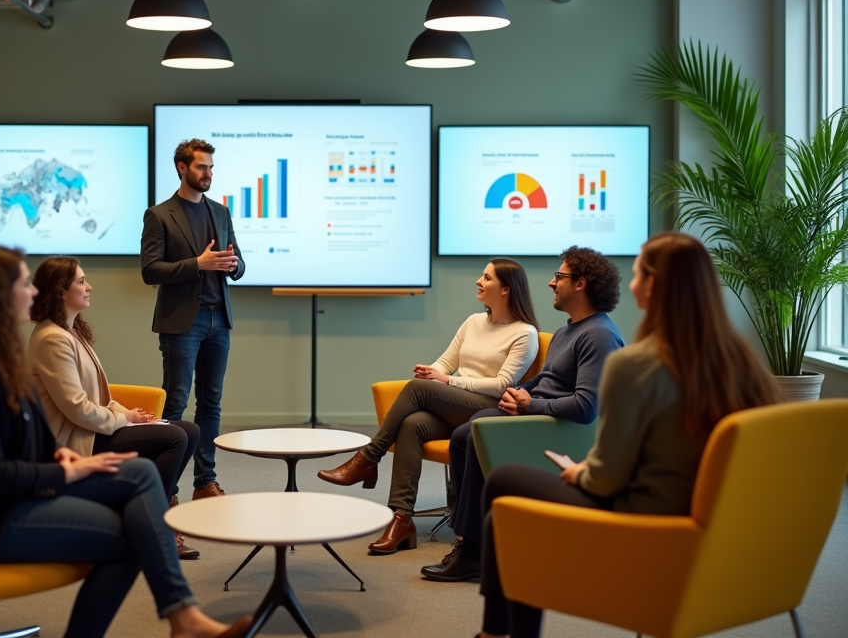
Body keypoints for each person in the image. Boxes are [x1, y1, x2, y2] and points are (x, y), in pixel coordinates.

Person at [0, 245, 250, 638]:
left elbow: (17, 436)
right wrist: (64, 470)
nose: (32, 292)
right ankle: (183, 617)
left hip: (12, 498)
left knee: (142, 477)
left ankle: (183, 618)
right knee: (136, 525)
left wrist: (56, 456)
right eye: (24, 283)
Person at [474, 232, 783, 638]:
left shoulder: (635, 363)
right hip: (718, 533)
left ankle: (494, 632)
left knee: (503, 489)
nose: (631, 285)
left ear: (652, 286)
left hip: (645, 525)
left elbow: (607, 478)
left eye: (637, 275)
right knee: (507, 511)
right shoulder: (743, 363)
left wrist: (579, 473)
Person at [422, 246, 624, 582]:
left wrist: (530, 404)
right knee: (463, 436)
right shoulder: (567, 330)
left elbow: (587, 407)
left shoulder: (599, 336)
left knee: (474, 431)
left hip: (555, 427)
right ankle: (473, 536)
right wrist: (523, 391)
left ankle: (473, 548)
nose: (551, 282)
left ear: (581, 284)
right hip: (536, 414)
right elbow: (546, 380)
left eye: (559, 276)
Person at [317, 259, 540, 554]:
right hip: (458, 404)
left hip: (491, 409)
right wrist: (432, 372)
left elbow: (502, 384)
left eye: (486, 277)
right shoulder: (473, 322)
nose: (478, 281)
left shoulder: (525, 333)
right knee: (413, 425)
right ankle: (401, 519)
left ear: (506, 290)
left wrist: (446, 382)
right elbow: (446, 362)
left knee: (418, 389)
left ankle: (369, 458)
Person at [29, 256, 202, 559]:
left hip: (93, 427)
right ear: (60, 291)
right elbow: (77, 409)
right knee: (175, 437)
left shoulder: (71, 331)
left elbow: (96, 394)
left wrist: (130, 415)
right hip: (76, 439)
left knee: (189, 429)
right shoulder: (51, 339)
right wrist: (124, 418)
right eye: (81, 282)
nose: (89, 287)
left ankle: (153, 507)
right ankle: (154, 523)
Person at [140, 138, 245, 500]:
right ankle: (166, 488)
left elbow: (240, 264)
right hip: (183, 322)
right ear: (182, 168)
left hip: (219, 320)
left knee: (211, 404)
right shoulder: (160, 215)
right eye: (201, 167)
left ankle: (204, 482)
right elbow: (150, 270)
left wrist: (233, 265)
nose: (208, 173)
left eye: (211, 167)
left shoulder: (220, 212)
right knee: (176, 404)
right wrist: (197, 264)